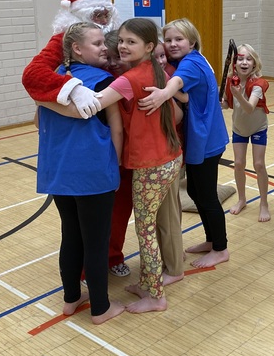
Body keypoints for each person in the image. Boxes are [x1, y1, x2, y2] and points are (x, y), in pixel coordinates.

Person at [87, 17, 184, 311]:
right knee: (148, 225)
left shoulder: (128, 80)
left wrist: (49, 98)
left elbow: (90, 105)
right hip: (169, 158)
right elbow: (177, 115)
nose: (123, 46)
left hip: (151, 165)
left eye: (132, 42)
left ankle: (156, 296)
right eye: (121, 41)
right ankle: (147, 284)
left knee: (145, 229)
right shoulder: (157, 70)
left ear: (149, 46)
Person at [36, 22, 125, 325]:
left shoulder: (53, 79)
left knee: (71, 235)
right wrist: (114, 167)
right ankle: (101, 308)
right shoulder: (103, 81)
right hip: (93, 174)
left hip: (59, 172)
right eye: (97, 43)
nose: (105, 48)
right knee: (96, 242)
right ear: (76, 48)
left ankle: (71, 298)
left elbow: (38, 121)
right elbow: (117, 129)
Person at [139, 18, 230, 269]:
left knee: (207, 195)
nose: (172, 44)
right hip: (206, 136)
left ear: (192, 41)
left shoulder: (189, 63)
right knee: (195, 191)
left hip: (207, 139)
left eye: (178, 39)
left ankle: (221, 248)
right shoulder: (195, 59)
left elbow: (178, 82)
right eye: (168, 40)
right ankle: (211, 240)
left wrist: (163, 93)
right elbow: (189, 95)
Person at [222, 44, 271, 222]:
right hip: (239, 128)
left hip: (258, 127)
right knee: (238, 163)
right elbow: (227, 103)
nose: (244, 62)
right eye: (240, 59)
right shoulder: (230, 82)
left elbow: (250, 108)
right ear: (234, 63)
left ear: (254, 63)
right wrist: (222, 103)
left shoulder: (258, 84)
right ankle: (242, 199)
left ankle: (264, 203)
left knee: (259, 164)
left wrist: (237, 95)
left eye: (249, 59)